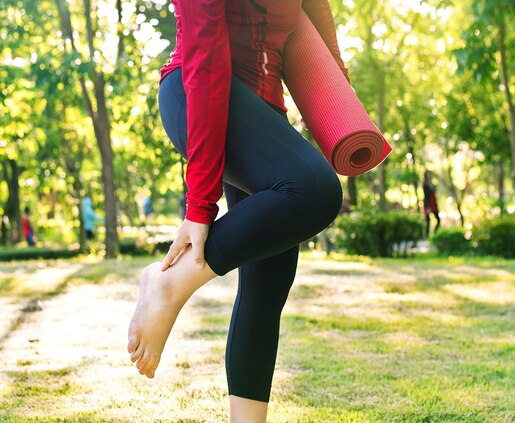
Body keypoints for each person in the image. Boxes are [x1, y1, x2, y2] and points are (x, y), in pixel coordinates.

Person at [127, 1, 350, 421]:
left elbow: (317, 24)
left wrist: (339, 110)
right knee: (315, 191)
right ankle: (169, 283)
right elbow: (205, 61)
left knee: (269, 281)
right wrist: (200, 206)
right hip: (199, 94)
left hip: (263, 110)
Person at [423, 171, 441, 237]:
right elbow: (426, 195)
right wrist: (427, 206)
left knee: (438, 219)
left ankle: (434, 233)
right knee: (428, 220)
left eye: (429, 174)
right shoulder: (425, 184)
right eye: (427, 175)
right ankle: (426, 236)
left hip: (433, 203)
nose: (429, 176)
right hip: (428, 203)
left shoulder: (432, 184)